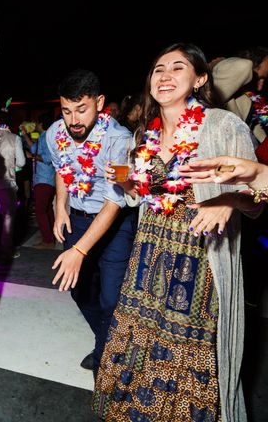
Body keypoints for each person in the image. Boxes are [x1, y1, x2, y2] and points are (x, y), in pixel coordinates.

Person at [94, 43, 257, 422]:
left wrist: (230, 201)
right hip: (147, 259)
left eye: (177, 68)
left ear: (200, 79)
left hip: (198, 260)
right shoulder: (143, 137)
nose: (165, 76)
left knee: (185, 345)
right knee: (138, 337)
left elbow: (260, 199)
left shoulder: (221, 125)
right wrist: (127, 183)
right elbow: (147, 194)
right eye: (158, 69)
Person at [45, 69, 136, 375]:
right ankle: (105, 341)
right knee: (79, 290)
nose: (73, 121)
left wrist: (79, 252)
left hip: (115, 223)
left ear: (99, 102)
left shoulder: (119, 140)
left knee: (112, 298)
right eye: (67, 111)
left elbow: (116, 201)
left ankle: (105, 358)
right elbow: (61, 169)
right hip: (78, 218)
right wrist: (61, 207)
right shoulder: (54, 133)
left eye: (81, 110)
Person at [0, 111, 26, 261]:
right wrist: (12, 168)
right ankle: (7, 249)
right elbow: (21, 163)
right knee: (8, 217)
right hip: (7, 183)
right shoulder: (15, 138)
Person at [23, 112, 57, 248]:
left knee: (39, 210)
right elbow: (34, 148)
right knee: (47, 209)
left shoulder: (46, 138)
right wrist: (25, 135)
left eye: (37, 123)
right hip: (45, 179)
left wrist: (32, 156)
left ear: (41, 124)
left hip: (44, 179)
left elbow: (48, 158)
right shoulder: (44, 137)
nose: (35, 125)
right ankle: (52, 236)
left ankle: (48, 241)